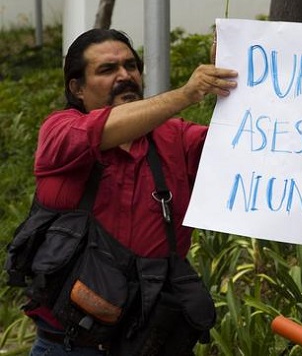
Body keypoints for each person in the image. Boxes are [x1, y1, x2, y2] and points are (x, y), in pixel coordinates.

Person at [27, 28, 237, 355]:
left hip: (147, 344)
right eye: (108, 69)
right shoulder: (59, 132)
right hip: (69, 346)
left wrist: (238, 73)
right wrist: (187, 93)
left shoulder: (175, 137)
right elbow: (104, 128)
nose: (125, 76)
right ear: (77, 88)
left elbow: (245, 146)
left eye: (131, 66)